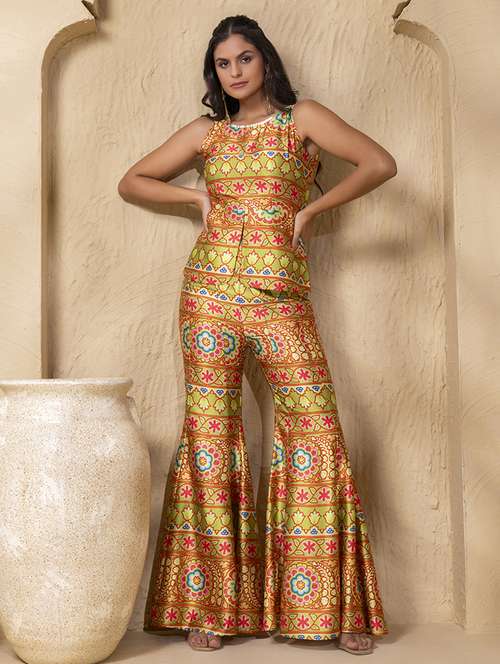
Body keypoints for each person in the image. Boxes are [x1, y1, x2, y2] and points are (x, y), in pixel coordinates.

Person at [118, 14, 396, 657]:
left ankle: (331, 608)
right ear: (214, 73)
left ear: (266, 60)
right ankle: (209, 607)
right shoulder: (207, 133)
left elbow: (379, 163)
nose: (235, 72)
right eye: (223, 64)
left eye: (245, 58)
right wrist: (196, 200)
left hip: (281, 296)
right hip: (208, 295)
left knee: (315, 431)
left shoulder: (303, 120)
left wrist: (309, 209)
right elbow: (132, 180)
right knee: (211, 438)